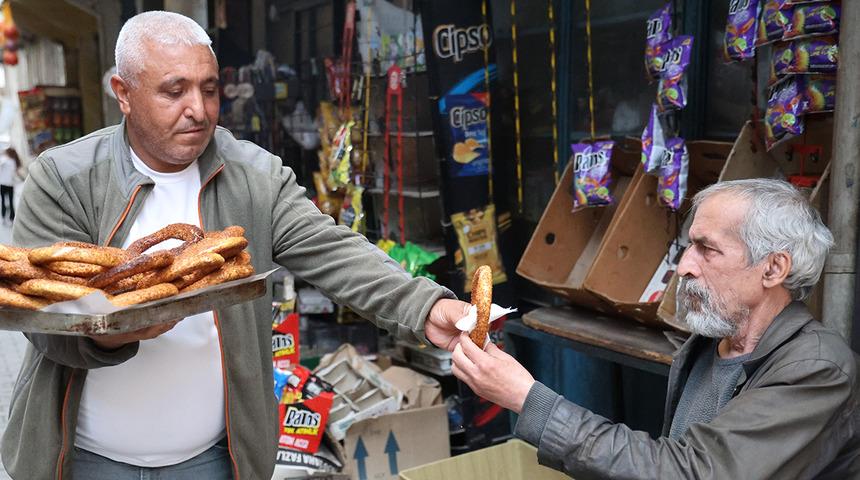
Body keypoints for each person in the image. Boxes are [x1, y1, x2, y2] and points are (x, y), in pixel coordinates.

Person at [0, 11, 469, 480]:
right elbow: (41, 318)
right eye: (174, 90)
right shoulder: (64, 177)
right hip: (82, 460)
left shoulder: (255, 177)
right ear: (123, 93)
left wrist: (425, 307)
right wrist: (110, 334)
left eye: (209, 89)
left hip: (216, 460)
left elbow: (335, 251)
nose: (199, 110)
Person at [453, 179, 860, 479]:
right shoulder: (706, 347)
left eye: (707, 248)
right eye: (688, 246)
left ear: (773, 268)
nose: (684, 266)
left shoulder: (818, 370)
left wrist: (529, 400)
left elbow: (692, 473)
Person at [0, 147, 20, 225]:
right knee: (11, 202)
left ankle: (4, 217)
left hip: (3, 184)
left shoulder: (4, 160)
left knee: (4, 202)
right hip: (10, 185)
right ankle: (11, 218)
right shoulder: (13, 161)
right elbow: (14, 173)